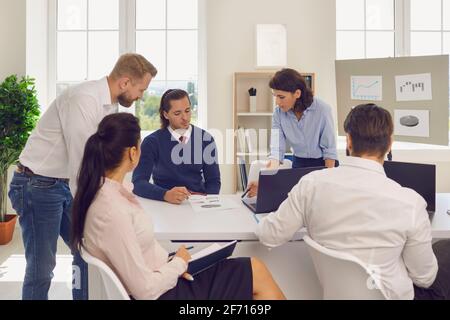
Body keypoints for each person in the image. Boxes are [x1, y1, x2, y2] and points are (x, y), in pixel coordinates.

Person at [71, 112, 286, 300]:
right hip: (164, 292)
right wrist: (179, 264)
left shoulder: (105, 193)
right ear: (132, 153)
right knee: (255, 270)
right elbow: (145, 290)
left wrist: (174, 263)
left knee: (250, 269)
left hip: (166, 276)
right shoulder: (111, 210)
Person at [256, 103, 450, 300]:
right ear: (390, 143)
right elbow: (424, 279)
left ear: (348, 141)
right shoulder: (411, 203)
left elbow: (268, 235)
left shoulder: (311, 184)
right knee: (445, 250)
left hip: (334, 295)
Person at [7, 53, 157, 300]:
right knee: (41, 269)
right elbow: (82, 165)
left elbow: (107, 162)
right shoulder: (83, 100)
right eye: (141, 89)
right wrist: (107, 207)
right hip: (37, 184)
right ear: (125, 82)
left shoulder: (110, 105)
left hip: (61, 184)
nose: (141, 95)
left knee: (86, 253)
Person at [246, 68, 338, 197]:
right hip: (299, 164)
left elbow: (330, 152)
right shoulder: (278, 114)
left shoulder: (322, 110)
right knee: (296, 200)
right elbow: (276, 152)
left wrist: (328, 182)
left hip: (323, 164)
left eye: (281, 97)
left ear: (297, 93)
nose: (277, 102)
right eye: (275, 97)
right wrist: (264, 183)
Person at [132, 89, 221, 204]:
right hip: (164, 204)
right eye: (177, 113)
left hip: (198, 203)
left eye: (187, 111)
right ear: (165, 114)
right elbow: (138, 183)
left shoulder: (206, 139)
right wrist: (165, 195)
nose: (185, 117)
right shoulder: (152, 142)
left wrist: (209, 203)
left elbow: (213, 181)